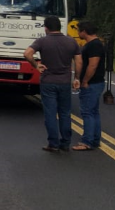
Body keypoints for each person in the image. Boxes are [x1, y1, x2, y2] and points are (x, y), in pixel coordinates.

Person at [24, 16, 82, 153]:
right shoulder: (71, 42)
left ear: (46, 28)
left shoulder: (42, 41)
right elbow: (79, 62)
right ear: (60, 27)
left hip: (48, 81)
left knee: (50, 113)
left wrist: (36, 66)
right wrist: (77, 78)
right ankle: (66, 143)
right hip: (64, 82)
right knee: (65, 113)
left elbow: (27, 53)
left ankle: (53, 143)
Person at [72, 22, 105, 151]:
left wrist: (85, 81)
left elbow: (93, 65)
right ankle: (95, 140)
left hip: (92, 83)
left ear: (84, 31)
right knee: (93, 112)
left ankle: (87, 141)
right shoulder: (94, 44)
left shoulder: (94, 45)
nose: (78, 33)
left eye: (79, 31)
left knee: (88, 112)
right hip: (95, 82)